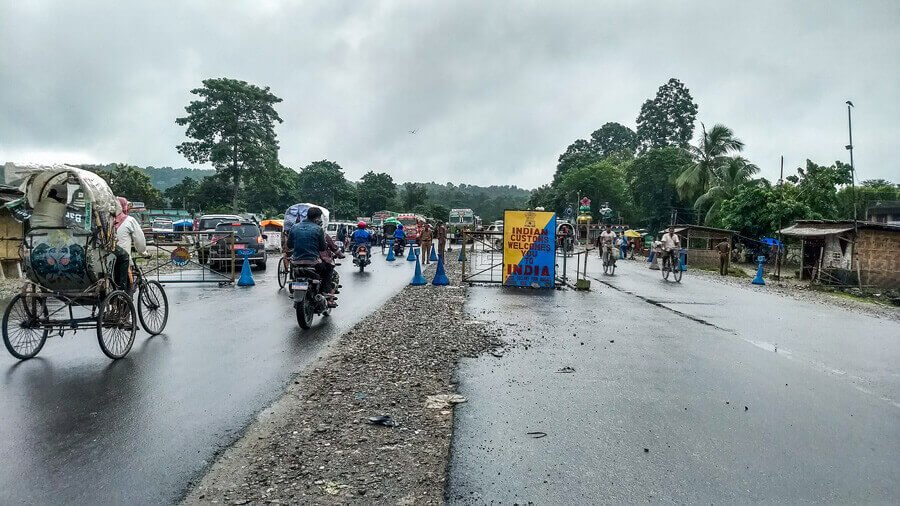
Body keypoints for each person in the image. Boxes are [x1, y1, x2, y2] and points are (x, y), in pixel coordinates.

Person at [288, 207, 335, 300]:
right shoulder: (318, 229)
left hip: (296, 262)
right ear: (317, 218)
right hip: (313, 263)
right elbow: (322, 247)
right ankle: (324, 291)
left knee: (294, 273)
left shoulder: (294, 227)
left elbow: (289, 245)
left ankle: (293, 289)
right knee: (329, 268)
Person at [113, 197, 146, 291]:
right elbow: (140, 241)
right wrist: (143, 252)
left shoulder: (108, 219)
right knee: (126, 285)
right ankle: (124, 297)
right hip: (122, 259)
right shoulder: (129, 220)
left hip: (104, 258)